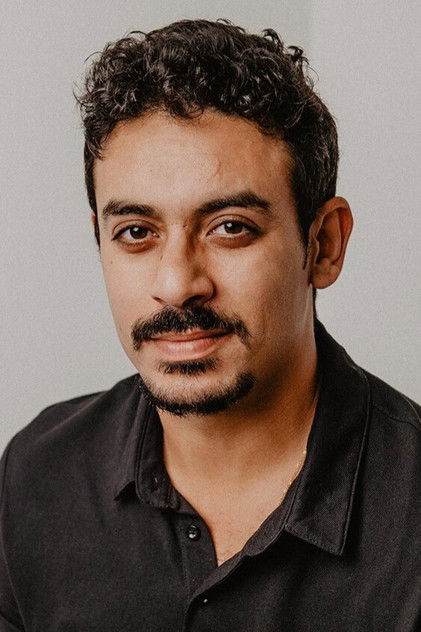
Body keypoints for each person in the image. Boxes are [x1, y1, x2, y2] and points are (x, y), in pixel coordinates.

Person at [0, 19, 419, 631]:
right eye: (136, 232)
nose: (177, 284)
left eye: (230, 227)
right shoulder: (37, 473)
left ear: (324, 245)